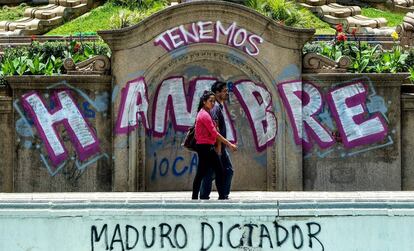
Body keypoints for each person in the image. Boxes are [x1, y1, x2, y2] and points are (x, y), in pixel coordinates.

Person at [192, 91, 237, 200]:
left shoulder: (204, 113)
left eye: (213, 101)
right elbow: (215, 133)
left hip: (204, 147)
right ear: (204, 102)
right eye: (210, 101)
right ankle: (222, 196)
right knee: (218, 171)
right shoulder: (204, 115)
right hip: (206, 147)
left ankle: (195, 197)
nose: (212, 103)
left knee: (202, 173)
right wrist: (230, 144)